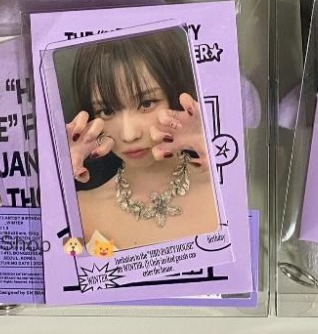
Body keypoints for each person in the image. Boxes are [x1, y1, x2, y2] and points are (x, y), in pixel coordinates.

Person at [63, 28, 219, 251]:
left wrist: (220, 153)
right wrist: (53, 175)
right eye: (107, 111)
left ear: (176, 97)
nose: (129, 134)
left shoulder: (223, 193)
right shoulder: (78, 212)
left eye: (146, 103)